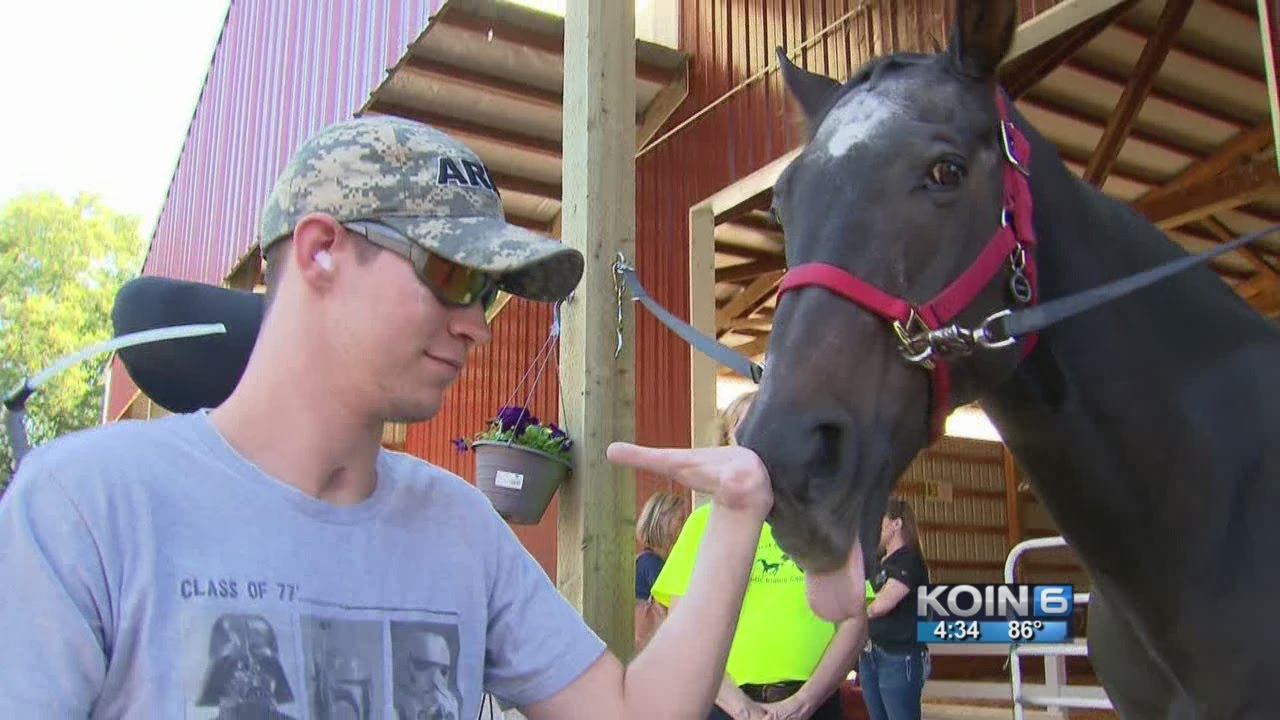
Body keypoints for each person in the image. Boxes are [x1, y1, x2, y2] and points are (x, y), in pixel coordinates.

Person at [0, 115, 775, 720]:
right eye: (451, 274)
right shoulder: (86, 507)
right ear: (320, 251)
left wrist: (737, 513)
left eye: (489, 293)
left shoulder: (460, 528)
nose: (477, 323)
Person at [652, 392, 866, 720]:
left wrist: (805, 701)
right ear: (728, 443)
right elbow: (684, 627)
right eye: (746, 425)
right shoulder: (702, 526)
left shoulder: (829, 521)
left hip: (815, 706)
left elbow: (854, 618)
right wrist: (739, 707)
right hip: (724, 706)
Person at [859, 497, 932, 720]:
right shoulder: (879, 563)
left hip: (899, 656)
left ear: (897, 523)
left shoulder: (908, 561)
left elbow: (883, 604)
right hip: (872, 653)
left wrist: (853, 614)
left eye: (880, 519)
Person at [634, 490, 687, 652]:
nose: (683, 526)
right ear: (664, 520)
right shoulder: (651, 563)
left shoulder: (648, 561)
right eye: (680, 519)